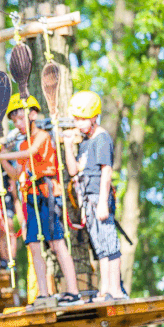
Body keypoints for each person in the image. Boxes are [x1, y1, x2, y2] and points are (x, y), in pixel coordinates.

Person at [0, 94, 82, 306]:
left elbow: (32, 152)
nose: (18, 124)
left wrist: (1, 155)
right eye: (14, 121)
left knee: (56, 242)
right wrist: (0, 156)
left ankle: (73, 291)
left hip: (48, 194)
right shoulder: (22, 143)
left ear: (32, 114)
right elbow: (16, 175)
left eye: (20, 118)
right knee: (33, 244)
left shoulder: (42, 136)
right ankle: (43, 293)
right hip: (31, 196)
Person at [63, 91, 124, 301]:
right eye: (76, 119)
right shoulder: (86, 142)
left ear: (94, 117)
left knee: (109, 243)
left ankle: (115, 289)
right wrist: (68, 146)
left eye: (81, 119)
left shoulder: (101, 138)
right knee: (99, 246)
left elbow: (106, 171)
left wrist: (103, 204)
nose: (78, 123)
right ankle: (105, 288)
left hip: (100, 197)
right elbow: (73, 170)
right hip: (88, 199)